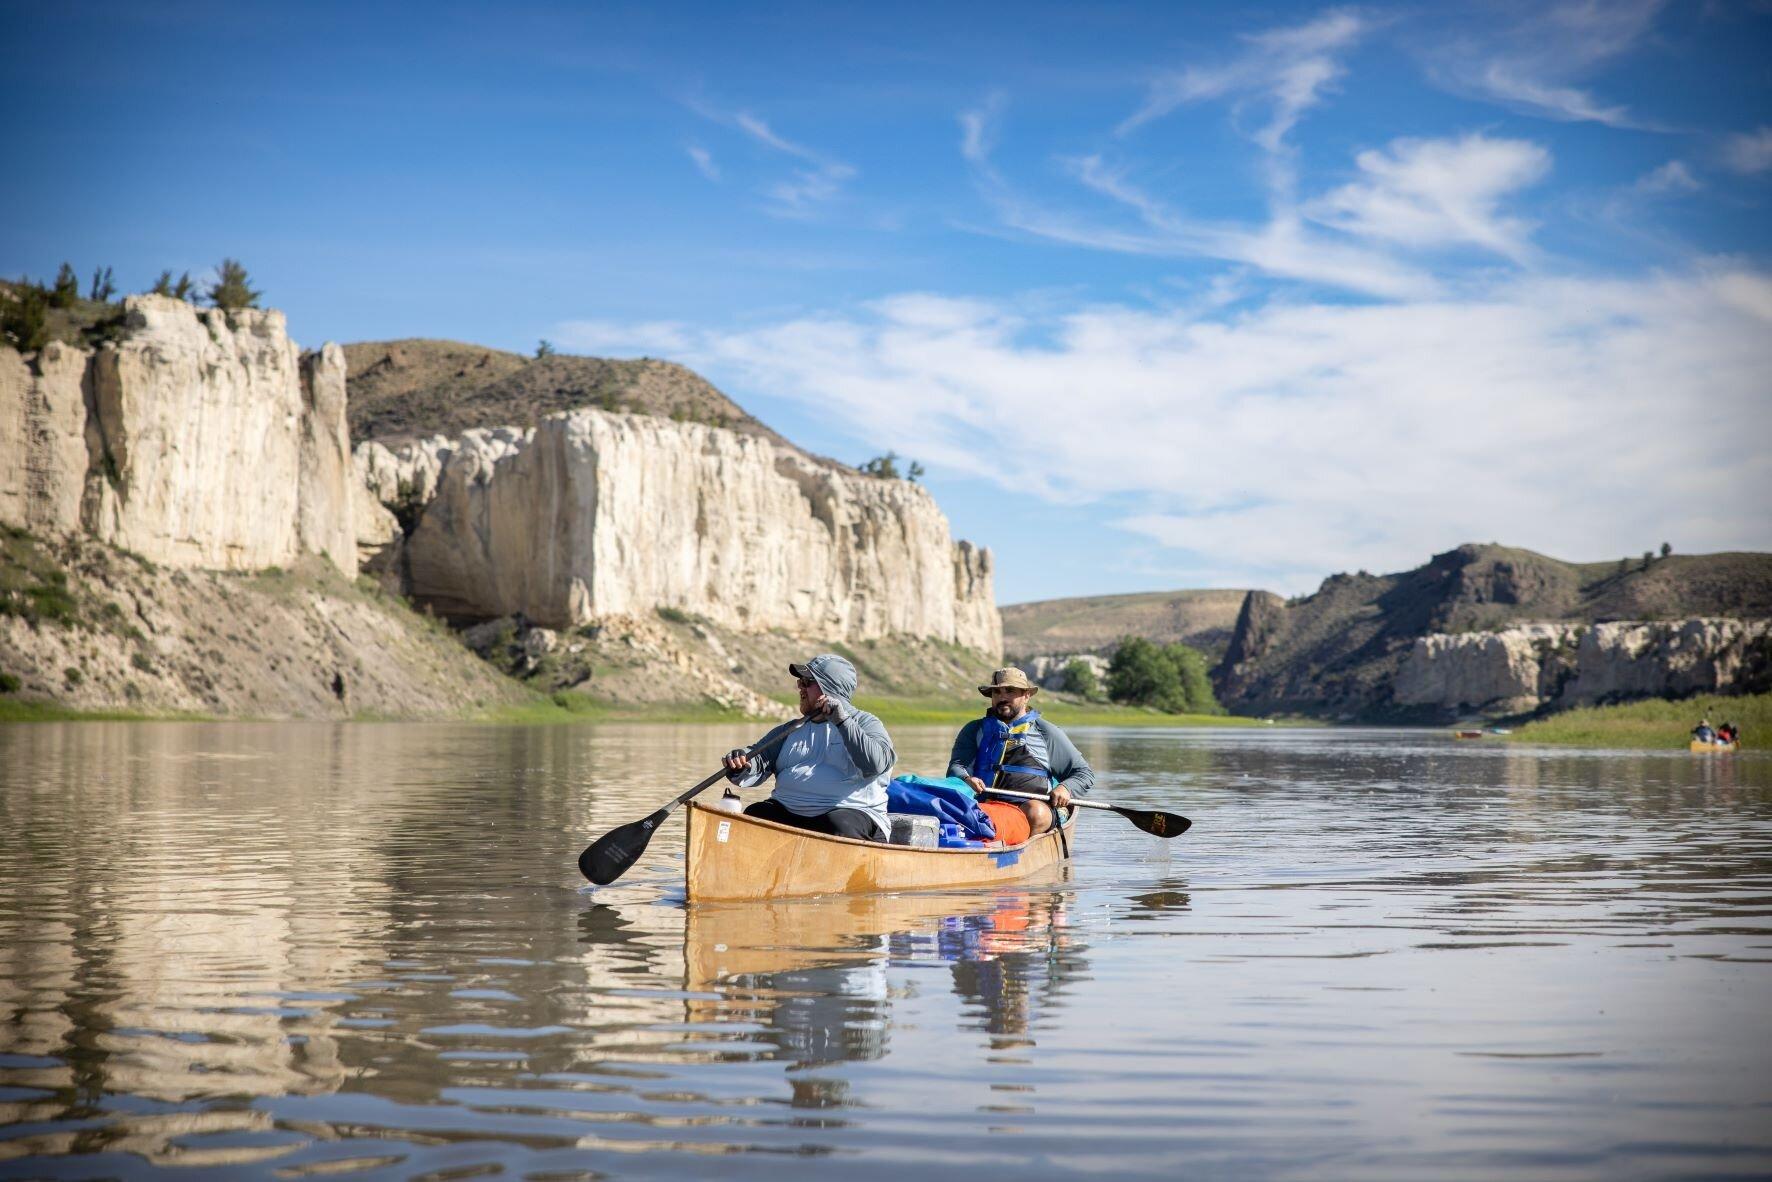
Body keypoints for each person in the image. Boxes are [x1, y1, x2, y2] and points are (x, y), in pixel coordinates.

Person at [722, 654, 895, 841]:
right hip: (789, 810)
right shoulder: (790, 729)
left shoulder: (867, 723)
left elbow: (875, 764)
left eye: (806, 682)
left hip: (850, 814)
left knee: (837, 825)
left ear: (829, 689)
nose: (799, 687)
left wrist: (842, 722)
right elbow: (758, 759)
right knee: (756, 813)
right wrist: (741, 763)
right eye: (800, 682)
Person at [948, 667, 1094, 836]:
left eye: (1010, 691)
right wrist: (966, 779)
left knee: (1035, 812)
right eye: (997, 692)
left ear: (1026, 695)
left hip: (1030, 810)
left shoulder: (1046, 732)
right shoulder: (974, 730)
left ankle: (1022, 843)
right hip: (984, 807)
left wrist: (1065, 788)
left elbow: (1083, 773)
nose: (1002, 697)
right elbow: (956, 768)